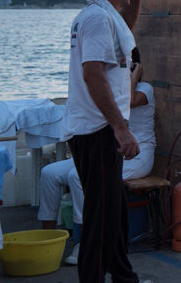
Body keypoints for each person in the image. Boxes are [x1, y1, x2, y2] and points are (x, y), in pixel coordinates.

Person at [58, 0, 155, 283]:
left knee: (111, 212)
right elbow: (93, 73)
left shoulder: (103, 16)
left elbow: (125, 31)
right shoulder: (98, 19)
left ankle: (125, 282)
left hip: (96, 130)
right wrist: (120, 128)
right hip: (99, 131)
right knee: (102, 219)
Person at [38, 61, 155, 266]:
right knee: (49, 173)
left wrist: (134, 77)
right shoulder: (110, 92)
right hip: (114, 150)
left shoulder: (145, 89)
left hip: (138, 155)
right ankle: (45, 241)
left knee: (76, 176)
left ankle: (84, 242)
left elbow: (127, 101)